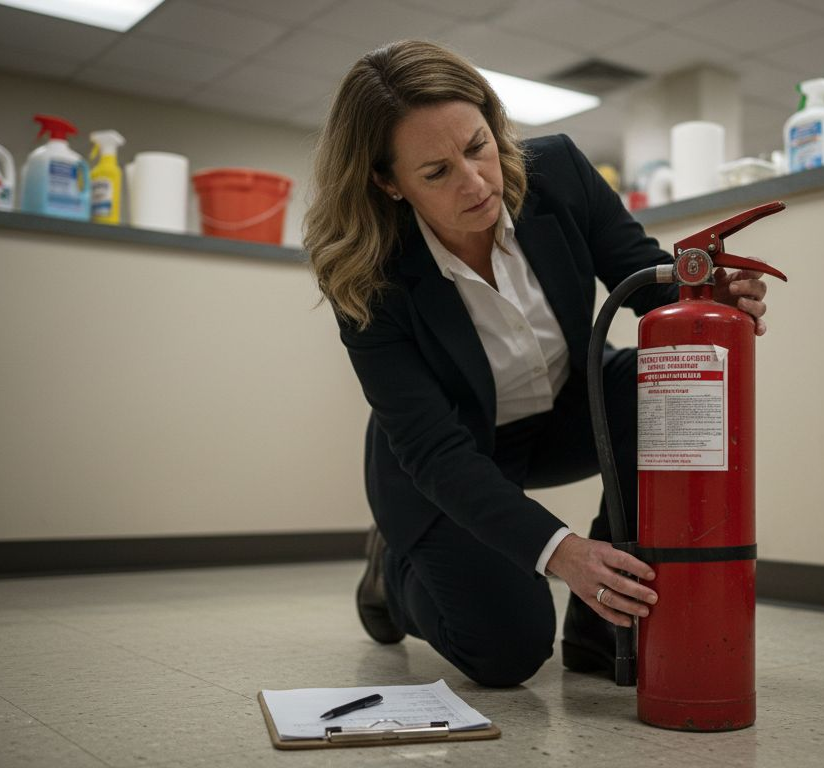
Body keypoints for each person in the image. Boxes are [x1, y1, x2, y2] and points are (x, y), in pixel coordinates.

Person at [304, 40, 772, 687]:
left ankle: (598, 624)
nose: (474, 183)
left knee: (654, 381)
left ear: (493, 126)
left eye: (475, 147)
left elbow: (646, 281)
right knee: (507, 653)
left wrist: (706, 301)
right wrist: (562, 551)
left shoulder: (559, 173)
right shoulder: (365, 277)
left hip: (557, 418)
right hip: (441, 457)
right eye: (436, 172)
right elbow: (435, 451)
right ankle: (391, 576)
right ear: (388, 182)